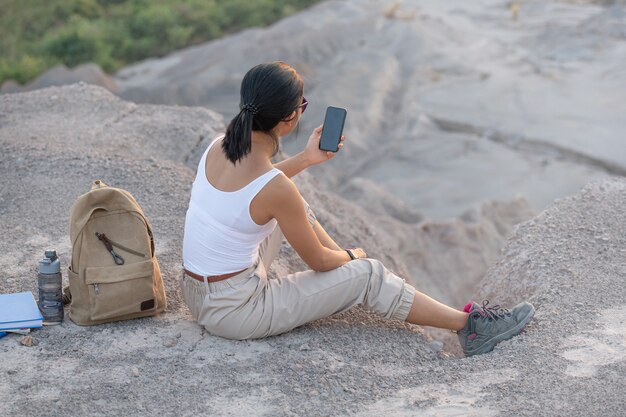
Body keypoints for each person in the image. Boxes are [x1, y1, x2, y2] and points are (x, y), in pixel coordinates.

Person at [180, 61, 534, 356]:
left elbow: (254, 191)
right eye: (302, 107)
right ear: (289, 119)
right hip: (235, 312)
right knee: (367, 274)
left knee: (296, 203)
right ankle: (470, 327)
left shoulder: (217, 146)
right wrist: (351, 258)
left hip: (197, 293)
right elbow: (315, 260)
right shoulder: (274, 188)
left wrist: (306, 158)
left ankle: (347, 280)